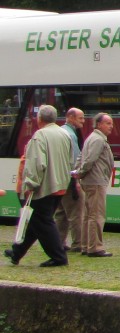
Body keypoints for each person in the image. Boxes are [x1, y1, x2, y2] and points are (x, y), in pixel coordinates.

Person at [4, 105, 71, 267]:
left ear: (39, 119)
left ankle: (59, 257)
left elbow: (36, 164)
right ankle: (17, 252)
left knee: (43, 221)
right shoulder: (65, 134)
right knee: (36, 221)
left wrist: (30, 185)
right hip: (60, 184)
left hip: (44, 186)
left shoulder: (39, 136)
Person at [76, 113, 116, 257]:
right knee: (97, 215)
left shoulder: (91, 138)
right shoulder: (98, 139)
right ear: (99, 124)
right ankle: (95, 247)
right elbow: (89, 160)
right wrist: (80, 171)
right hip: (96, 180)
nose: (111, 126)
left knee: (88, 215)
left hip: (90, 180)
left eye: (111, 123)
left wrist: (78, 172)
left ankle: (86, 245)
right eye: (108, 123)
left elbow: (81, 157)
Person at [54, 107, 86, 252]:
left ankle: (59, 242)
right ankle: (78, 243)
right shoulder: (71, 135)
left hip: (58, 180)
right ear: (71, 117)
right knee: (76, 213)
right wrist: (76, 181)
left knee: (61, 212)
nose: (83, 122)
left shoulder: (59, 132)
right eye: (81, 118)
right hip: (69, 179)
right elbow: (75, 159)